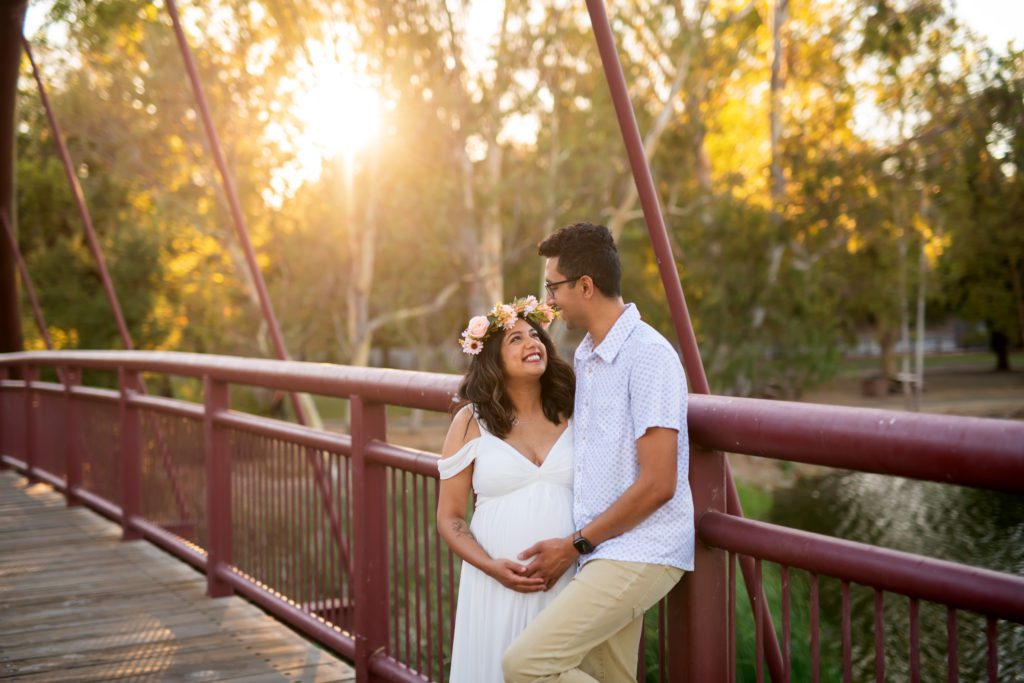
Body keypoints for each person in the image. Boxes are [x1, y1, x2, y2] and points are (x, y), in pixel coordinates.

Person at [502, 222, 694, 683]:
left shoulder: (648, 356)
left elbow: (659, 483)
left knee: (526, 665)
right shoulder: (588, 355)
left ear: (585, 286)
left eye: (553, 287)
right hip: (604, 550)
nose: (549, 300)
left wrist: (575, 545)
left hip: (641, 549)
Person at [436, 295, 576, 683]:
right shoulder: (470, 421)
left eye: (535, 335)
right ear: (493, 358)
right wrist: (492, 567)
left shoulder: (574, 410)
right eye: (515, 339)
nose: (532, 342)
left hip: (567, 571)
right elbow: (449, 518)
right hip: (496, 581)